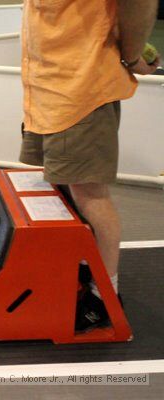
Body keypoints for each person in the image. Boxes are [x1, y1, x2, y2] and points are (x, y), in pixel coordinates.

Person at [19, 0, 160, 332]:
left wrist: (130, 53)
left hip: (81, 90)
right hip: (47, 86)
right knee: (65, 184)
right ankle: (85, 263)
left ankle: (104, 295)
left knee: (90, 195)